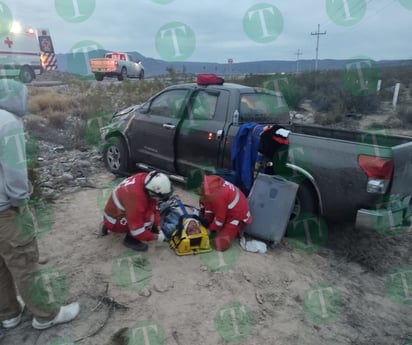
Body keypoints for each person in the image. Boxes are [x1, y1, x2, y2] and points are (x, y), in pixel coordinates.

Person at [0, 79, 79, 330]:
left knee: (1, 264)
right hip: (5, 211)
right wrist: (21, 202)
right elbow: (14, 173)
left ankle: (9, 313)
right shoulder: (8, 123)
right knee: (24, 263)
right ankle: (46, 315)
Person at [101, 170, 172, 251]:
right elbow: (137, 230)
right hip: (115, 220)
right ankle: (130, 240)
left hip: (114, 212)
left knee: (148, 212)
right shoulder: (135, 198)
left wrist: (158, 226)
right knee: (147, 217)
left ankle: (108, 223)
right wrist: (156, 237)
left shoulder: (145, 179)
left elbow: (153, 204)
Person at [197, 174, 252, 251]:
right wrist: (206, 221)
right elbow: (208, 206)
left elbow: (219, 220)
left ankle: (235, 229)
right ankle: (221, 228)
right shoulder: (211, 188)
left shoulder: (218, 198)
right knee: (205, 205)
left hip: (236, 215)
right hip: (226, 208)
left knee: (220, 245)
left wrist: (209, 230)